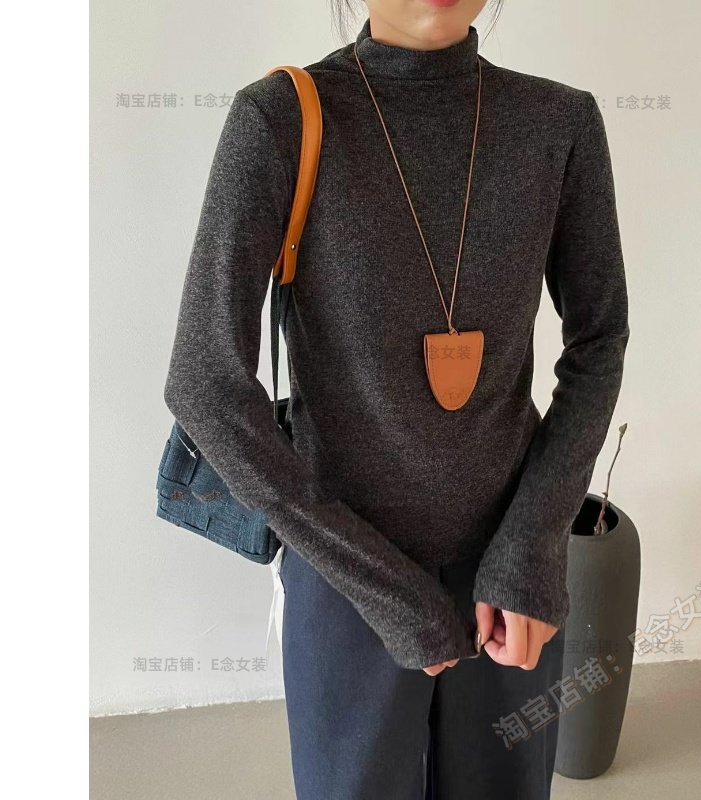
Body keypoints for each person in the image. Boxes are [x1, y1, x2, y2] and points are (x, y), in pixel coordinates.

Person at [163, 0, 630, 797]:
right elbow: (203, 382)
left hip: (509, 577)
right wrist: (386, 589)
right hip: (345, 582)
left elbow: (599, 340)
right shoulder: (280, 121)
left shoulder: (558, 124)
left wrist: (528, 550)